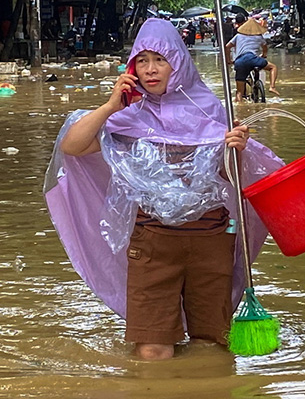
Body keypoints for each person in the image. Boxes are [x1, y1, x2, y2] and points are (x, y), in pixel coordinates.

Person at [47, 19, 281, 360]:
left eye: (161, 60)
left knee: (210, 347)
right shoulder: (127, 117)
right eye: (142, 61)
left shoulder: (212, 110)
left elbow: (229, 180)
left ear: (179, 63)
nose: (151, 70)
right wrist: (112, 105)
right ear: (132, 67)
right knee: (152, 349)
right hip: (152, 242)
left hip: (211, 240)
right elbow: (73, 147)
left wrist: (236, 149)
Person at [230, 14, 274, 102]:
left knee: (239, 92)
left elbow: (227, 47)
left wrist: (229, 60)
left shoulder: (238, 36)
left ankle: (240, 110)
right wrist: (264, 55)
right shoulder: (259, 37)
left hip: (240, 61)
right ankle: (272, 87)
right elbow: (265, 48)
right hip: (254, 59)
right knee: (273, 67)